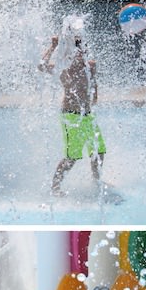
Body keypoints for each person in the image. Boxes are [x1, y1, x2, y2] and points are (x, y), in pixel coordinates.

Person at [38, 31, 107, 196]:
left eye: (82, 48)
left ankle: (96, 182)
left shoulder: (90, 65)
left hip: (88, 116)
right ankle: (55, 187)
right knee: (72, 157)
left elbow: (94, 81)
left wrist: (95, 93)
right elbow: (41, 65)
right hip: (71, 116)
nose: (80, 52)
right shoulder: (63, 69)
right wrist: (53, 47)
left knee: (99, 152)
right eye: (76, 50)